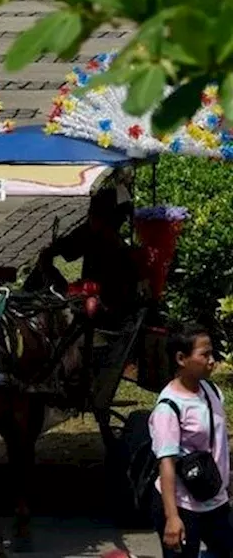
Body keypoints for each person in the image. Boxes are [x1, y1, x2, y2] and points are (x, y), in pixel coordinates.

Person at [149, 324, 232, 558]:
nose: (212, 360)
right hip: (184, 506)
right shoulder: (169, 408)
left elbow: (220, 445)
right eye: (204, 354)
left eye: (212, 353)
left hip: (216, 500)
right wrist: (172, 518)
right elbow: (166, 463)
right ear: (181, 358)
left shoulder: (212, 391)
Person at [30, 186, 140, 320]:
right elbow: (62, 251)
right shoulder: (88, 234)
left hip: (110, 308)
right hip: (90, 300)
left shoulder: (119, 249)